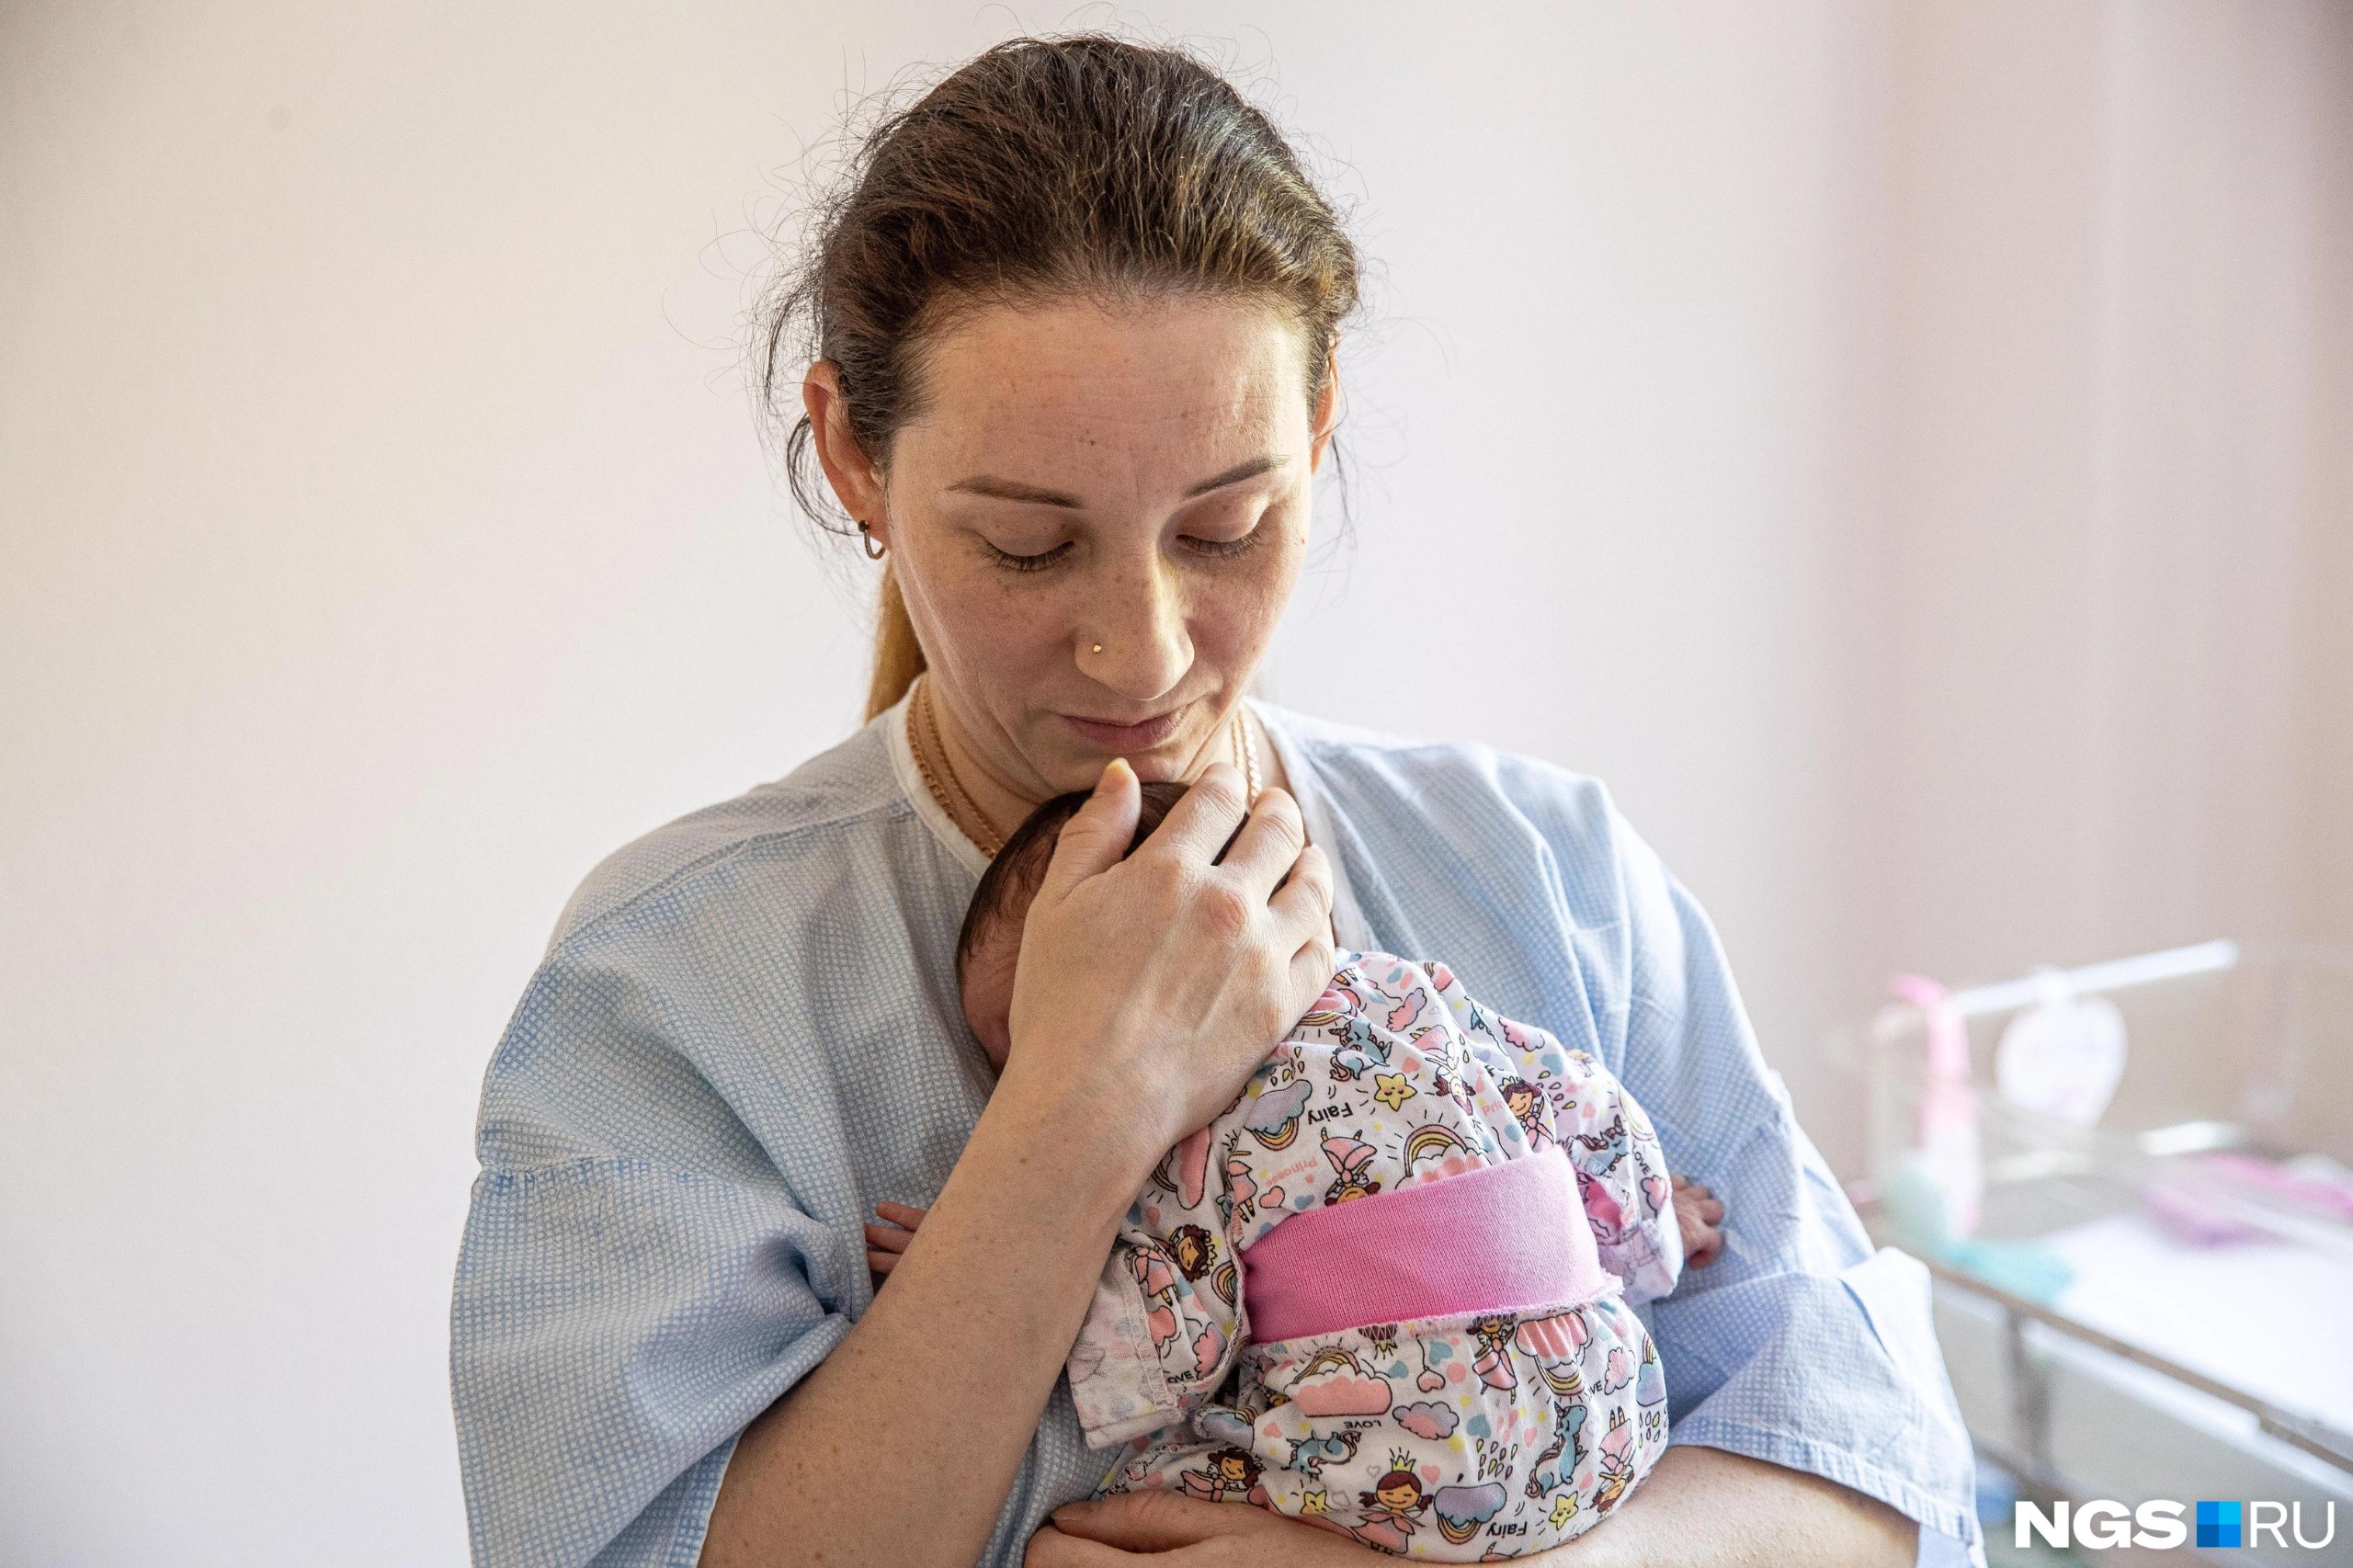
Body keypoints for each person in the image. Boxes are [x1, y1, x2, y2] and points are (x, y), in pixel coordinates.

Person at [449, 34, 1981, 1568]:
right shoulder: (681, 981)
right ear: (856, 455)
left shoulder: (1540, 869)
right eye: (1030, 548)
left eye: (1228, 525)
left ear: (1318, 429)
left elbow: (1868, 1473)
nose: (1145, 649)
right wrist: (1086, 1098)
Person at [887, 780, 1689, 1557]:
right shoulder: (1411, 991)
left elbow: (1171, 1350)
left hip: (1416, 1467)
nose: (1017, 1087)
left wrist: (978, 1251)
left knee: (1111, 1511)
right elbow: (1575, 1098)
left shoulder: (1186, 1133)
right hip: (1607, 1412)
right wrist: (1651, 1229)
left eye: (1028, 1039)